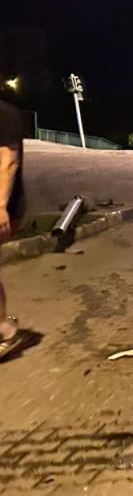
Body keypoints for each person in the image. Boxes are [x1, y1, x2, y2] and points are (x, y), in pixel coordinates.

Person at [0, 95, 28, 360]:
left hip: (4, 205)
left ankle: (5, 331)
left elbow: (9, 161)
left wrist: (1, 207)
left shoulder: (5, 114)